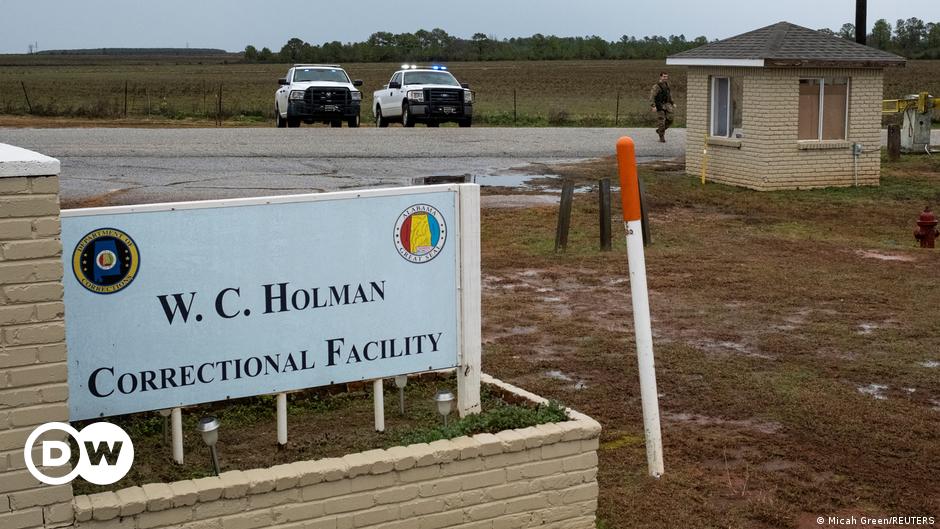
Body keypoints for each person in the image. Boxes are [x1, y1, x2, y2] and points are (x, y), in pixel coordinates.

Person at [649, 72, 676, 143]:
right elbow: (652, 96)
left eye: (666, 77)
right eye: (664, 76)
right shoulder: (656, 86)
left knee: (670, 119)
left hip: (667, 105)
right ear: (660, 77)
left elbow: (669, 95)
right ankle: (661, 137)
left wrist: (672, 103)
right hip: (659, 105)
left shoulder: (667, 85)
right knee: (661, 121)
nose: (665, 78)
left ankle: (659, 130)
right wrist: (653, 106)